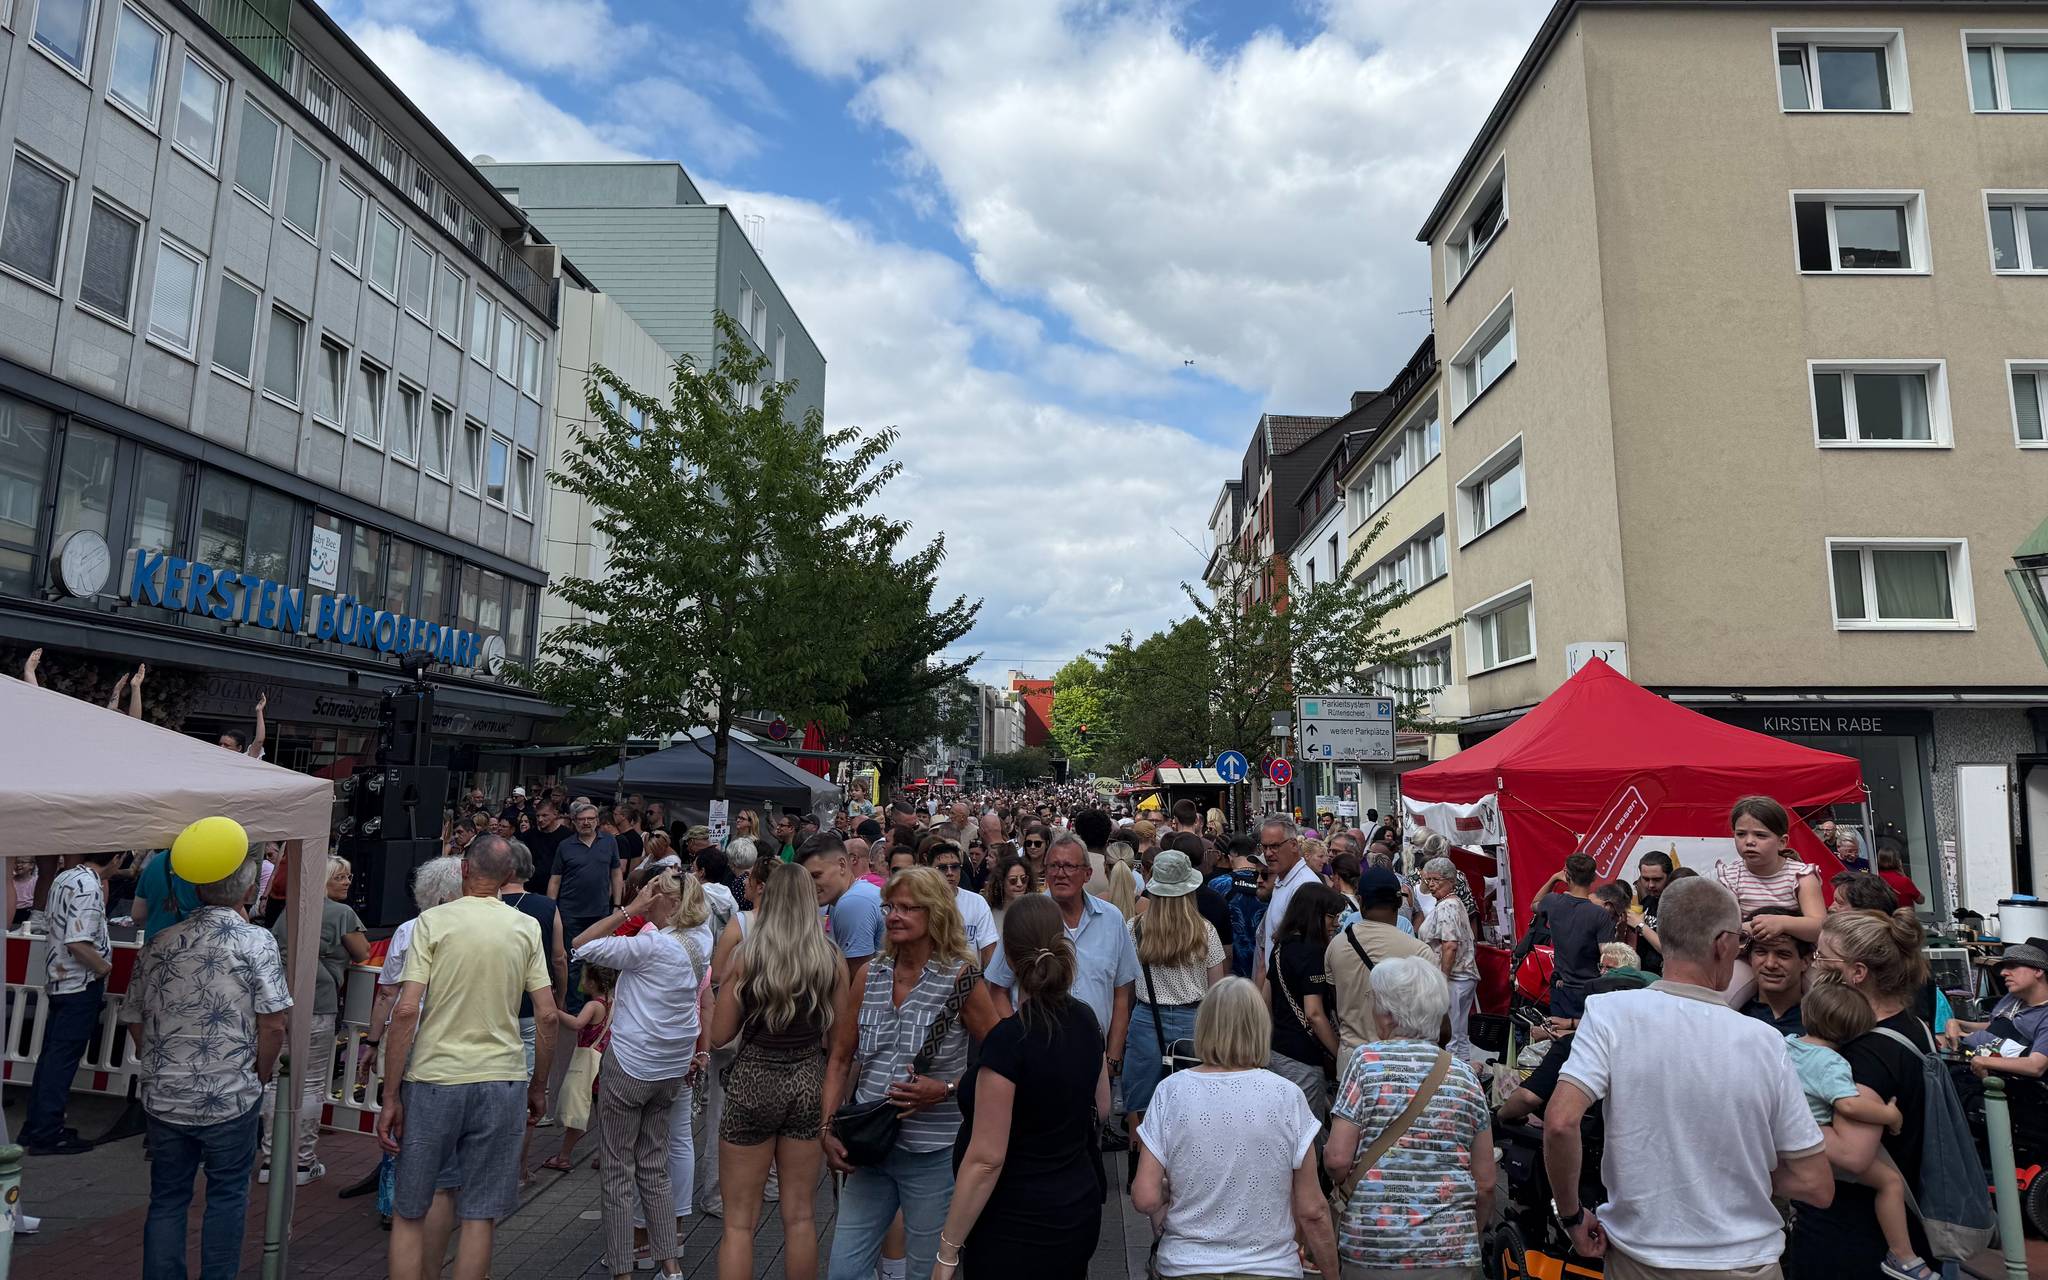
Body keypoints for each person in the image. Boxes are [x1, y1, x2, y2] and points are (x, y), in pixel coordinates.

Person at [1544, 877, 1833, 1280]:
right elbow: (1816, 1183)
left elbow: (1560, 1122)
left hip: (1639, 1258)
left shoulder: (1609, 1013)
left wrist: (1571, 1215)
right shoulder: (1766, 1042)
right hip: (1743, 1261)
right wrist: (1734, 1162)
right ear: (1722, 944)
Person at [379, 837, 558, 1280]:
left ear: (463, 870)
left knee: (410, 1208)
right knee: (480, 1215)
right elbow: (548, 1014)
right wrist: (539, 1086)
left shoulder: (433, 922)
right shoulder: (524, 927)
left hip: (435, 1076)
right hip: (502, 1077)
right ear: (506, 877)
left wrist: (389, 1093)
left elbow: (405, 1009)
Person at [822, 867, 997, 1280]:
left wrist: (948, 1088)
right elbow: (840, 1059)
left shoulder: (961, 978)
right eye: (890, 907)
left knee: (926, 1270)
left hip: (933, 1152)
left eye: (906, 908)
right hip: (868, 1146)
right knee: (844, 1269)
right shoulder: (869, 975)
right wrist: (826, 1126)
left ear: (934, 914)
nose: (893, 916)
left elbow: (997, 1062)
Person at [122, 853, 289, 1280]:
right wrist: (260, 1071)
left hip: (165, 1093)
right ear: (249, 891)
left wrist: (159, 1062)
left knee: (167, 1198)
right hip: (231, 1090)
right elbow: (273, 1022)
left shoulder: (160, 942)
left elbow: (134, 1016)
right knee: (228, 1195)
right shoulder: (256, 942)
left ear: (197, 889)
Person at [933, 893, 1108, 1280]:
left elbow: (986, 1159)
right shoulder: (1086, 1019)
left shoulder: (1009, 1041)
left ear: (1009, 958)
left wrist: (947, 1252)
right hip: (1077, 1205)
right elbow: (1103, 1107)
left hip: (1014, 1220)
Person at [1129, 975, 1336, 1277]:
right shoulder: (1287, 1096)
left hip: (1187, 1266)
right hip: (1270, 1267)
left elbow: (1144, 1196)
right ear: (1260, 1028)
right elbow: (1313, 1210)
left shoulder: (1170, 1092)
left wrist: (1171, 1190)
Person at [706, 863, 841, 1280]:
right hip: (807, 1080)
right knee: (800, 1216)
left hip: (753, 1079)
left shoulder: (748, 957)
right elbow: (838, 1044)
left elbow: (719, 1036)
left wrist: (722, 989)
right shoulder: (831, 959)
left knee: (738, 1223)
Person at [569, 871, 704, 1280]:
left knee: (617, 1171)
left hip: (631, 1065)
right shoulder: (701, 940)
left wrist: (631, 908)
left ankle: (623, 1269)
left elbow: (582, 945)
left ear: (663, 900)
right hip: (670, 1069)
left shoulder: (650, 946)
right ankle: (670, 1266)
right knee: (654, 1166)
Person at [1325, 955, 1495, 1279]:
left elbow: (1337, 1160)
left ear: (1388, 1013)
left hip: (1373, 1248)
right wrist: (1469, 1236)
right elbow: (1486, 1183)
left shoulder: (1366, 1062)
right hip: (1450, 1252)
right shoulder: (1463, 1075)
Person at [1789, 909, 1936, 1275]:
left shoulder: (1864, 1054)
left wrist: (1785, 1111)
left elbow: (1853, 1156)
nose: (1813, 967)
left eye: (1822, 957)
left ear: (1857, 973)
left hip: (1854, 1240)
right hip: (1894, 1225)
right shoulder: (1912, 1024)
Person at [983, 833, 1136, 1119]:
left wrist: (1112, 1056)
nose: (1060, 874)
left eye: (1069, 867)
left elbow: (1121, 993)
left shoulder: (1112, 919)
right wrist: (1017, 1038)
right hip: (1036, 1058)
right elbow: (997, 988)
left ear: (1087, 873)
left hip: (1093, 1058)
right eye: (1053, 866)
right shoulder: (1026, 919)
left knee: (1093, 1132)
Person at [262, 854, 368, 1185]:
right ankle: (302, 1162)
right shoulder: (343, 914)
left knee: (276, 1082)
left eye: (348, 877)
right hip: (319, 1002)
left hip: (280, 999)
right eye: (340, 877)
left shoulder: (293, 908)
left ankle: (269, 1160)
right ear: (324, 880)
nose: (347, 882)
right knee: (309, 1084)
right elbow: (362, 952)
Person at [1123, 851, 1227, 1136]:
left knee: (1142, 1103)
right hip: (1193, 1023)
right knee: (1194, 1106)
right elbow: (1216, 991)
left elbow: (1128, 986)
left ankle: (1140, 1160)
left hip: (1145, 1020)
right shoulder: (1205, 932)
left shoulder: (1134, 929)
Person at [22, 850, 116, 1154]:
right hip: (80, 982)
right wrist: (103, 967)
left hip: (60, 978)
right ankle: (47, 1132)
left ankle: (37, 1125)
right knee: (60, 1061)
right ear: (114, 860)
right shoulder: (89, 886)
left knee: (52, 1058)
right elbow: (78, 941)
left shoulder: (65, 877)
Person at [1715, 796, 1825, 1001]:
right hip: (1748, 957)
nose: (1749, 841)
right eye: (1741, 834)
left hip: (1800, 959)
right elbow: (1723, 928)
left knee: (1829, 1003)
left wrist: (1782, 923)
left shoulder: (1801, 876)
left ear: (1782, 841)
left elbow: (1819, 927)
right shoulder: (1730, 876)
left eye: (1760, 835)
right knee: (1722, 999)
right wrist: (1751, 929)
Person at [1324, 865, 1435, 1062]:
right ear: (1399, 901)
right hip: (1402, 1063)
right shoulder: (1419, 952)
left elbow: (1334, 1001)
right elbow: (1436, 1024)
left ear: (1360, 901)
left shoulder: (1336, 946)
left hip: (1353, 1062)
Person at [1266, 883, 1345, 1118]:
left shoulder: (1281, 946)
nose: (1337, 923)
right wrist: (1339, 1053)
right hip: (1304, 1057)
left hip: (1278, 1049)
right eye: (1331, 916)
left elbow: (1265, 998)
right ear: (1314, 914)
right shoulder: (1313, 952)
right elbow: (1314, 1013)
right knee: (1306, 1130)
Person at [1517, 853, 1613, 1020]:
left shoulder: (1553, 902)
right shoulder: (1600, 915)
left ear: (1567, 875)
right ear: (1593, 877)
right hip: (1590, 988)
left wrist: (1554, 879)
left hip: (1561, 987)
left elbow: (1534, 904)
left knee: (1560, 1037)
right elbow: (1607, 956)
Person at [1939, 940, 2048, 1079]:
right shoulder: (2012, 998)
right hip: (1966, 1057)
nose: (2003, 973)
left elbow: (2036, 1066)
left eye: (2012, 967)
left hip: (2000, 1080)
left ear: (2038, 971)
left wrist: (1984, 1061)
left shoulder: (2044, 1016)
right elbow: (1995, 1026)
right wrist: (1957, 1023)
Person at [550, 802, 624, 1008]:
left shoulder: (609, 842)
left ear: (597, 821)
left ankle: (599, 1006)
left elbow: (616, 874)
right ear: (573, 822)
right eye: (581, 819)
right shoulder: (565, 846)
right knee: (573, 962)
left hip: (600, 913)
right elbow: (555, 879)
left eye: (590, 819)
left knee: (599, 961)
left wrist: (617, 905)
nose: (586, 823)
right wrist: (551, 908)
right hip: (570, 913)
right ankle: (575, 1008)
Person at [542, 964, 612, 1173]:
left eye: (583, 978)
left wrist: (555, 1011)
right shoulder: (613, 1002)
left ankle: (564, 1156)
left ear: (592, 982)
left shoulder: (593, 1006)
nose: (580, 982)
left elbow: (576, 1023)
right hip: (604, 1062)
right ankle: (605, 1155)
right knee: (604, 1114)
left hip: (588, 1065)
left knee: (578, 1109)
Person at [1416, 857, 1481, 1067]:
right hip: (1462, 976)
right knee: (1459, 1033)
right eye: (1428, 880)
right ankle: (1465, 1072)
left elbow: (1450, 944)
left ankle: (1453, 1075)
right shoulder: (1453, 904)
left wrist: (1442, 978)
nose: (1431, 885)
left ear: (1450, 881)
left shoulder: (1447, 907)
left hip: (1454, 978)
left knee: (1451, 1034)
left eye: (1436, 880)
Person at [798, 833, 885, 980]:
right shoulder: (849, 897)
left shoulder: (852, 902)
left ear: (842, 865)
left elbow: (857, 982)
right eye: (806, 878)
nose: (809, 884)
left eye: (816, 875)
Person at [1257, 817, 1317, 994]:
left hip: (1291, 995)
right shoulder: (1282, 879)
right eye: (1264, 847)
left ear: (1293, 845)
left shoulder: (1304, 886)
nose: (1268, 853)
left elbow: (1305, 952)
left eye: (1274, 846)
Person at [1738, 907, 1811, 1035]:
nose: (1770, 964)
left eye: (1783, 954)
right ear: (1749, 958)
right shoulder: (1735, 1016)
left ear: (1805, 962)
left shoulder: (1820, 1023)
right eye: (1761, 952)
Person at [927, 841, 998, 963]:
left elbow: (989, 950)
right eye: (943, 868)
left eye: (955, 867)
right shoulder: (920, 903)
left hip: (970, 977)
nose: (950, 873)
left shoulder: (977, 902)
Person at [1632, 850, 1672, 974]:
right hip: (1643, 974)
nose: (1650, 885)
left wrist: (1640, 925)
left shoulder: (1676, 905)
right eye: (1645, 879)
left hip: (1665, 976)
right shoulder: (1647, 902)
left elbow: (1670, 950)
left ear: (1669, 876)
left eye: (1657, 879)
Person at [526, 800, 571, 893]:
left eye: (544, 815)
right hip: (531, 888)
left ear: (555, 814)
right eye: (537, 816)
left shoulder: (568, 836)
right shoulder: (528, 836)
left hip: (559, 889)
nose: (540, 819)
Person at [981, 854, 1030, 931]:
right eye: (1013, 880)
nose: (1020, 884)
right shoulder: (989, 914)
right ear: (1001, 882)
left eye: (1023, 879)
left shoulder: (1034, 913)